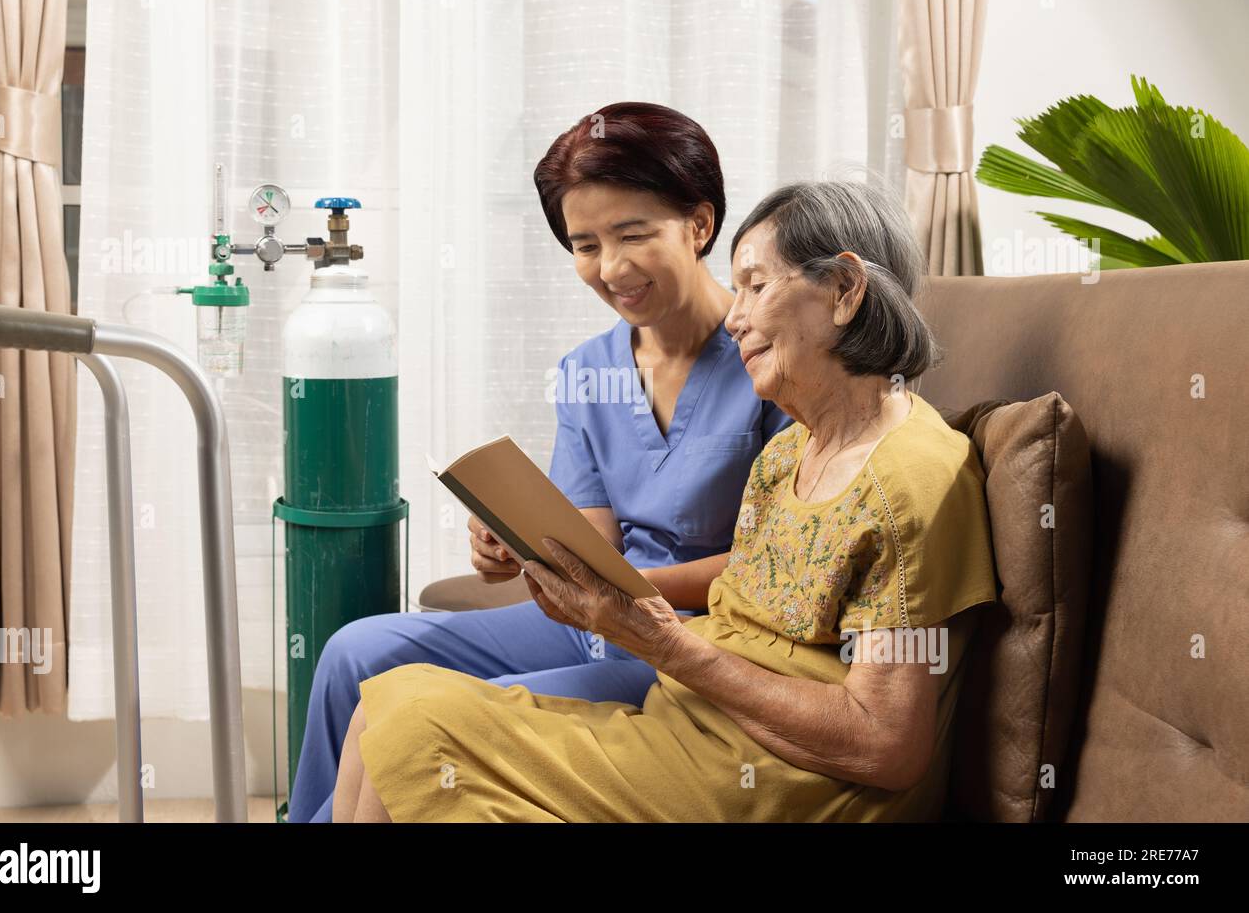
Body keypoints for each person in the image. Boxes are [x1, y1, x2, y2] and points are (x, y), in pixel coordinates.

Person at [333, 179, 999, 822]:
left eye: (757, 285)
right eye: (735, 289)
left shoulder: (909, 479)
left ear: (844, 290)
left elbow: (886, 743)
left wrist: (659, 640)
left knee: (416, 730)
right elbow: (742, 616)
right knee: (383, 710)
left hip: (785, 780)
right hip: (695, 721)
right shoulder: (787, 456)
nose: (734, 318)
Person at [287, 102, 791, 822]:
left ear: (700, 225)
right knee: (351, 654)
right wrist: (517, 546)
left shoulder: (769, 362)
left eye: (632, 234)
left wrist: (628, 590)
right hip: (590, 620)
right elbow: (588, 542)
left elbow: (778, 565)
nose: (609, 267)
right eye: (585, 244)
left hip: (688, 642)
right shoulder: (586, 370)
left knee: (410, 717)